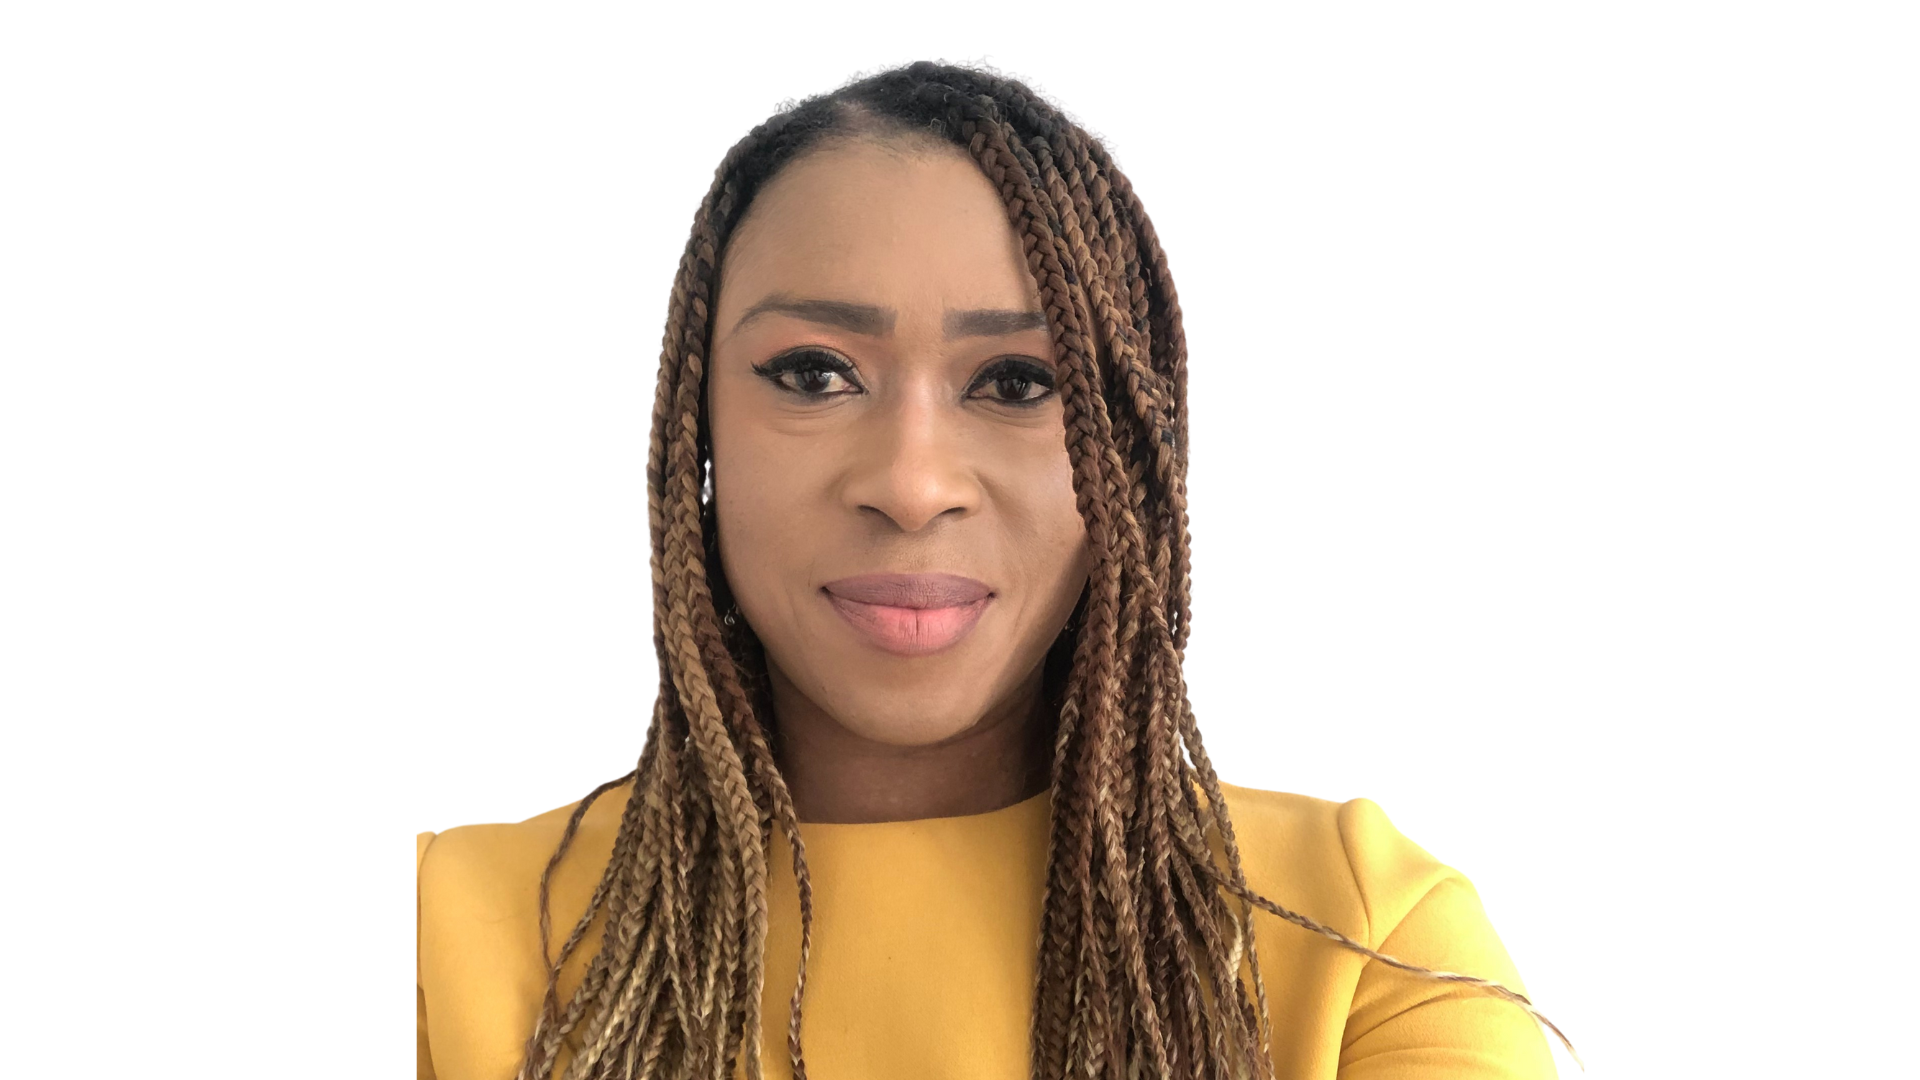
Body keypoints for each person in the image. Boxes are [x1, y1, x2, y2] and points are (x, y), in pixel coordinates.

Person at [415, 60, 1571, 1080]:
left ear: (1128, 454)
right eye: (814, 373)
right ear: (694, 430)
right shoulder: (426, 946)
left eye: (1019, 382)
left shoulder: (1363, 943)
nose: (913, 485)